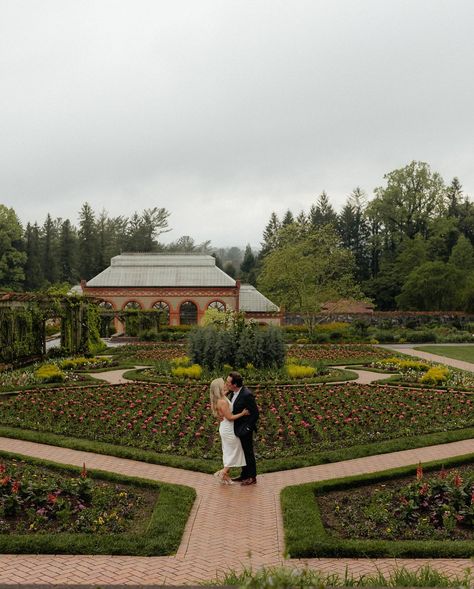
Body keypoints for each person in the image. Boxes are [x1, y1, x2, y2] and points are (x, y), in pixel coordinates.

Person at [210, 377, 249, 484]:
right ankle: (223, 472)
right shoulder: (222, 401)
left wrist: (228, 390)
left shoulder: (221, 397)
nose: (225, 384)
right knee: (236, 450)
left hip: (226, 427)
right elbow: (230, 417)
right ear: (219, 387)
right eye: (223, 383)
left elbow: (226, 393)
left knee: (229, 451)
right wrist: (243, 413)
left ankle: (225, 475)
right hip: (228, 428)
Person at [226, 371, 259, 485]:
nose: (227, 384)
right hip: (237, 429)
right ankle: (244, 474)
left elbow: (255, 414)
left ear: (235, 384)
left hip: (245, 430)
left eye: (228, 382)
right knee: (242, 452)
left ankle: (252, 477)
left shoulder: (246, 394)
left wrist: (247, 429)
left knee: (248, 452)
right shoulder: (232, 392)